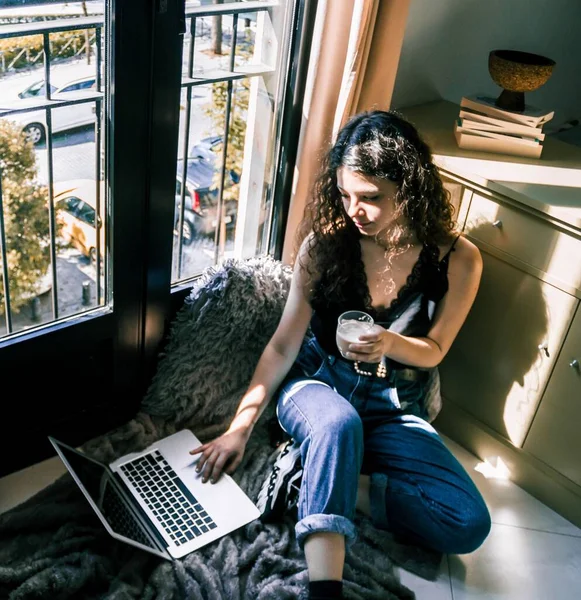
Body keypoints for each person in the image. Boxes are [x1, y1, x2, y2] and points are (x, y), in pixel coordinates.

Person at [190, 110, 491, 600]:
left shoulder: (458, 258)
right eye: (346, 194)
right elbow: (284, 344)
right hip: (319, 386)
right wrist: (239, 429)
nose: (355, 209)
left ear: (410, 186)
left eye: (371, 197)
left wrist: (391, 344)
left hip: (394, 406)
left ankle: (323, 478)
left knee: (467, 523)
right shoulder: (325, 248)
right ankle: (324, 589)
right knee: (337, 425)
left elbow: (434, 351)